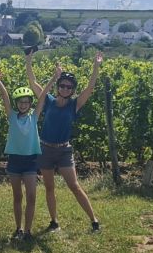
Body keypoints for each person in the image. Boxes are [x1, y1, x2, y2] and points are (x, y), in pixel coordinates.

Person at [26, 51, 103, 233]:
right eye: (63, 85)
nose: (66, 89)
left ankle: (94, 221)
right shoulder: (48, 101)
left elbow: (90, 88)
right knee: (49, 187)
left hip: (64, 151)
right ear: (58, 86)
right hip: (45, 149)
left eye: (69, 87)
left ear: (73, 90)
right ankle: (54, 222)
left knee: (74, 186)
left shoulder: (74, 105)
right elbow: (32, 82)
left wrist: (96, 67)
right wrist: (29, 61)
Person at [0, 60, 55, 242]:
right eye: (21, 102)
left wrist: (54, 78)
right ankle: (18, 228)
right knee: (17, 196)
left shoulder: (34, 116)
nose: (24, 104)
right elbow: (3, 93)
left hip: (31, 160)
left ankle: (27, 231)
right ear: (17, 103)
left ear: (30, 103)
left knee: (31, 196)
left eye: (26, 102)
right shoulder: (11, 116)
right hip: (15, 160)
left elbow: (43, 97)